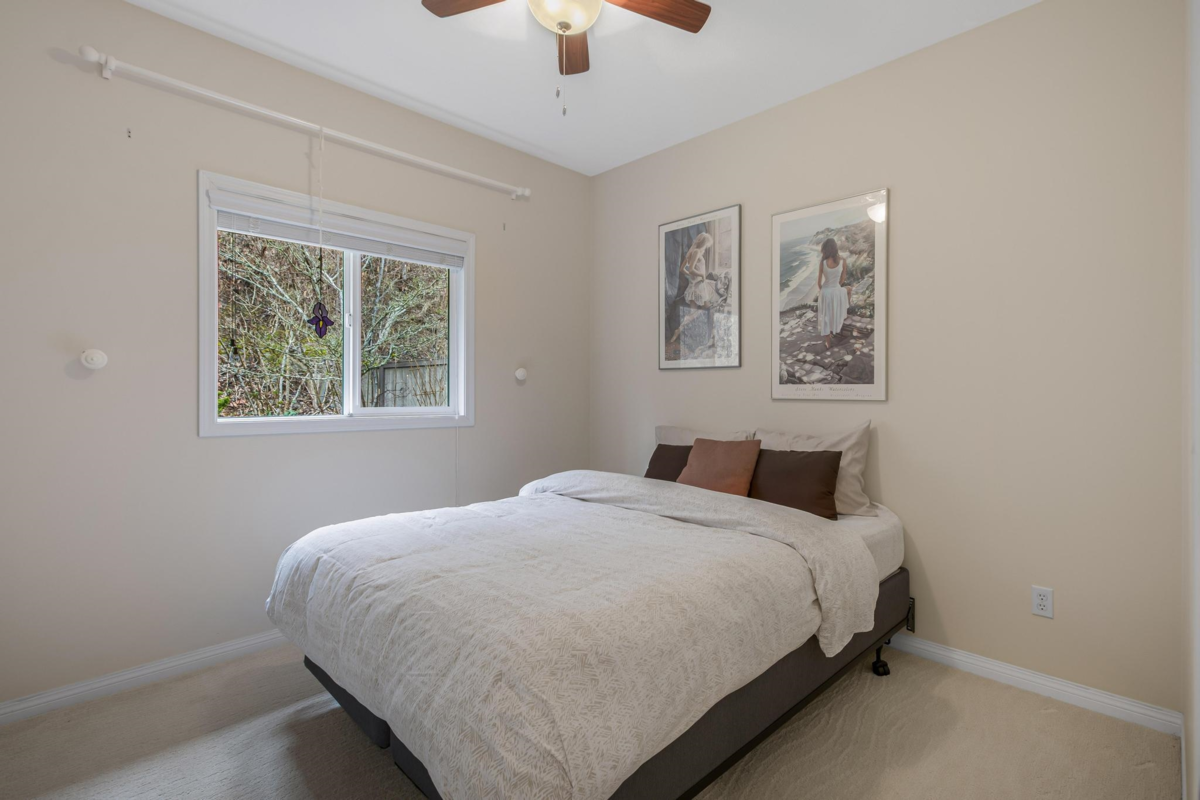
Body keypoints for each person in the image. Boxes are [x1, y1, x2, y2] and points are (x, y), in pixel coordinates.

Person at [816, 237, 848, 349]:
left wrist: (824, 291)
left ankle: (828, 342)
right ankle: (835, 328)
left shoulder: (823, 263)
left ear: (825, 249)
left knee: (825, 317)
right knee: (847, 290)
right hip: (836, 290)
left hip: (825, 292)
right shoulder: (843, 261)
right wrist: (836, 287)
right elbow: (843, 279)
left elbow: (818, 283)